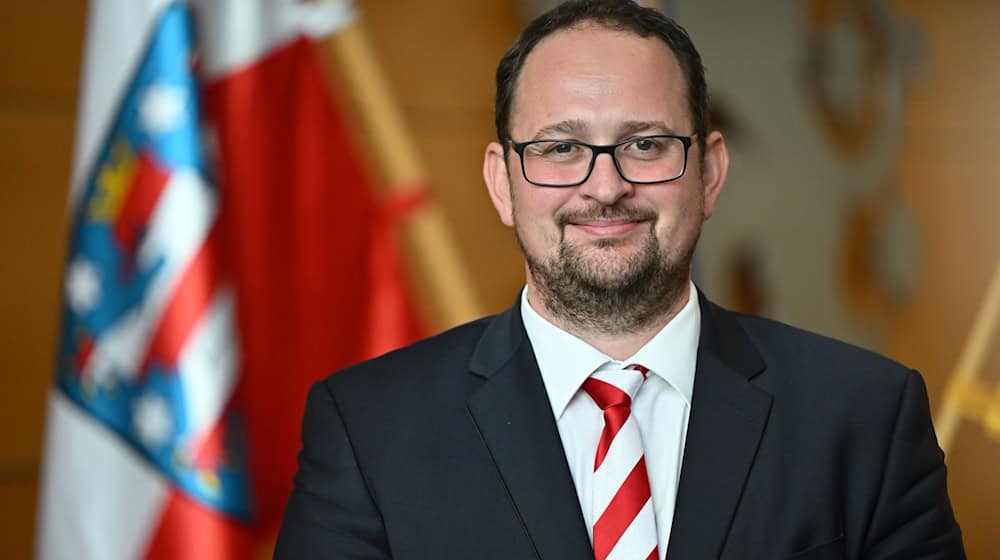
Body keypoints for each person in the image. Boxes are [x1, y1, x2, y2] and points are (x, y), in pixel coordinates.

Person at [274, 1, 965, 558]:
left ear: (710, 173)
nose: (605, 187)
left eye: (646, 144)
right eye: (560, 148)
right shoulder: (367, 429)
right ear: (501, 181)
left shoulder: (866, 415)